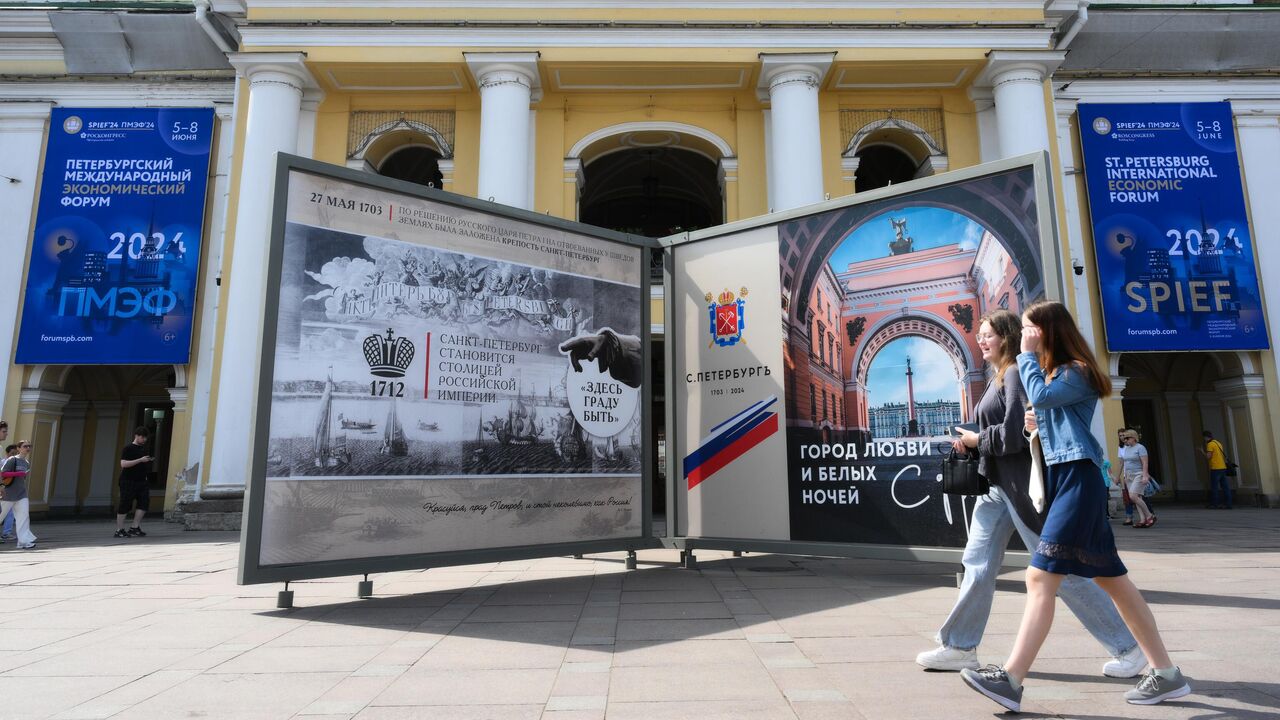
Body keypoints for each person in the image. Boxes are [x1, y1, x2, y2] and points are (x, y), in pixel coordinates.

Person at [960, 300, 1190, 711]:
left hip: (1078, 477)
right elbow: (1046, 412)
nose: (1025, 336)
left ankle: (1011, 679)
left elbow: (1043, 397)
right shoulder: (1053, 373)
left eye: (1031, 329)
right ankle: (1166, 674)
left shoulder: (1076, 371)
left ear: (1049, 331)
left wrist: (1027, 358)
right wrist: (1035, 427)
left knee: (1040, 578)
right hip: (1065, 477)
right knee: (1113, 580)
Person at [916, 310, 1144, 678]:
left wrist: (977, 439)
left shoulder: (1017, 373)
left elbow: (1011, 438)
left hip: (1022, 489)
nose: (981, 339)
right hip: (997, 488)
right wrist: (974, 444)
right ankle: (959, 646)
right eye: (979, 334)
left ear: (1006, 337)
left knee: (1060, 573)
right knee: (976, 565)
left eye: (987, 333)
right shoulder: (999, 377)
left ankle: (1129, 648)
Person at [115, 427, 154, 539]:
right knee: (125, 504)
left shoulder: (143, 449)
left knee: (144, 502)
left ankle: (134, 527)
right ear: (136, 435)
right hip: (128, 480)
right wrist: (140, 460)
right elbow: (123, 464)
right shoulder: (128, 448)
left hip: (142, 481)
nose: (144, 440)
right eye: (142, 437)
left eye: (145, 438)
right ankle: (119, 529)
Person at [0, 440, 38, 549]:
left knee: (24, 517)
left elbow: (23, 478)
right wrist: (18, 473)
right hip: (8, 494)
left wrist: (20, 475)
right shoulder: (12, 460)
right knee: (1, 515)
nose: (27, 448)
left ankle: (23, 542)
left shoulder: (26, 463)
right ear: (18, 448)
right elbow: (3, 473)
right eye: (25, 446)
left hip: (22, 494)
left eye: (29, 446)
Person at [1118, 429, 1155, 528]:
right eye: (1124, 438)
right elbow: (1125, 463)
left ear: (1133, 437)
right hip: (1129, 476)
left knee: (1133, 496)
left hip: (1138, 474)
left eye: (1127, 438)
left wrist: (1145, 475)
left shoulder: (1140, 447)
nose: (1125, 440)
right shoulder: (1127, 448)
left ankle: (1149, 515)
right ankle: (1142, 519)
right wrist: (1124, 476)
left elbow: (1145, 463)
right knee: (1137, 498)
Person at [1201, 431, 1232, 509]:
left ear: (1206, 437)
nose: (1204, 439)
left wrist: (1202, 451)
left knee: (1214, 487)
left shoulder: (1210, 444)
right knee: (1225, 487)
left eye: (1204, 438)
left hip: (1215, 468)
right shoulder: (1218, 443)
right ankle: (1228, 504)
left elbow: (1208, 456)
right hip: (1223, 467)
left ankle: (1214, 504)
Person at [0, 444, 14, 541]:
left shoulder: (18, 463)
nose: (14, 455)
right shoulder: (3, 462)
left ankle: (6, 532)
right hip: (3, 489)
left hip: (11, 491)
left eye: (16, 453)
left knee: (10, 512)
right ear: (7, 453)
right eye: (12, 453)